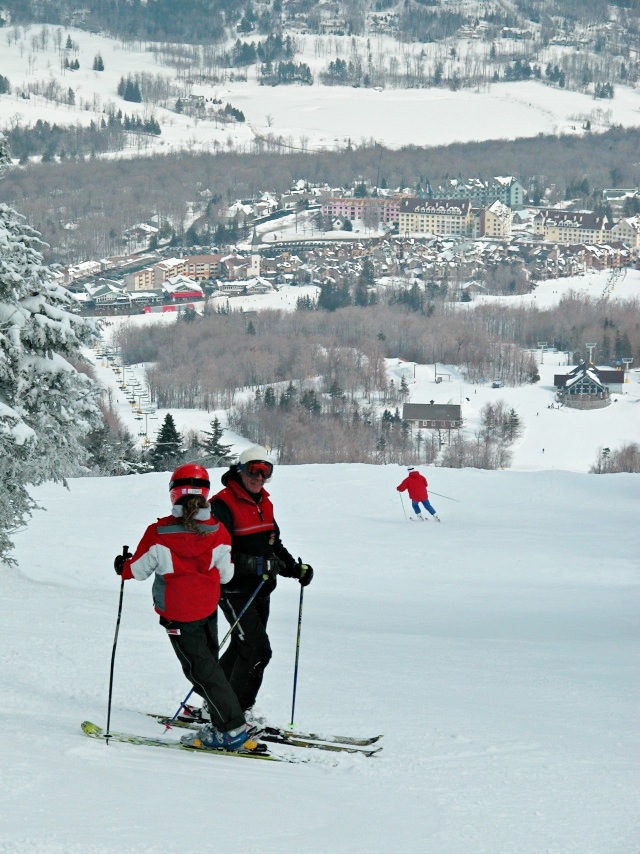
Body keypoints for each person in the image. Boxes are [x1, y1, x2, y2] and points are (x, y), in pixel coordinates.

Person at [113, 463, 256, 753]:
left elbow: (137, 572)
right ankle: (225, 718)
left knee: (200, 671)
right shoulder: (217, 531)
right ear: (205, 494)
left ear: (173, 494)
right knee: (209, 668)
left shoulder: (159, 533)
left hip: (178, 614)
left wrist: (122, 566)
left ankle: (231, 729)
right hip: (207, 610)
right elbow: (226, 575)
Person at [208, 445, 314, 731]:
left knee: (243, 646)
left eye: (265, 471)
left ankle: (215, 701)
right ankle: (234, 715)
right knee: (257, 650)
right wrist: (255, 565)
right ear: (240, 470)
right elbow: (217, 552)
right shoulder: (221, 504)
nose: (259, 477)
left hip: (261, 590)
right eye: (253, 470)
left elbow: (273, 545)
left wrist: (295, 569)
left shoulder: (263, 503)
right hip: (233, 589)